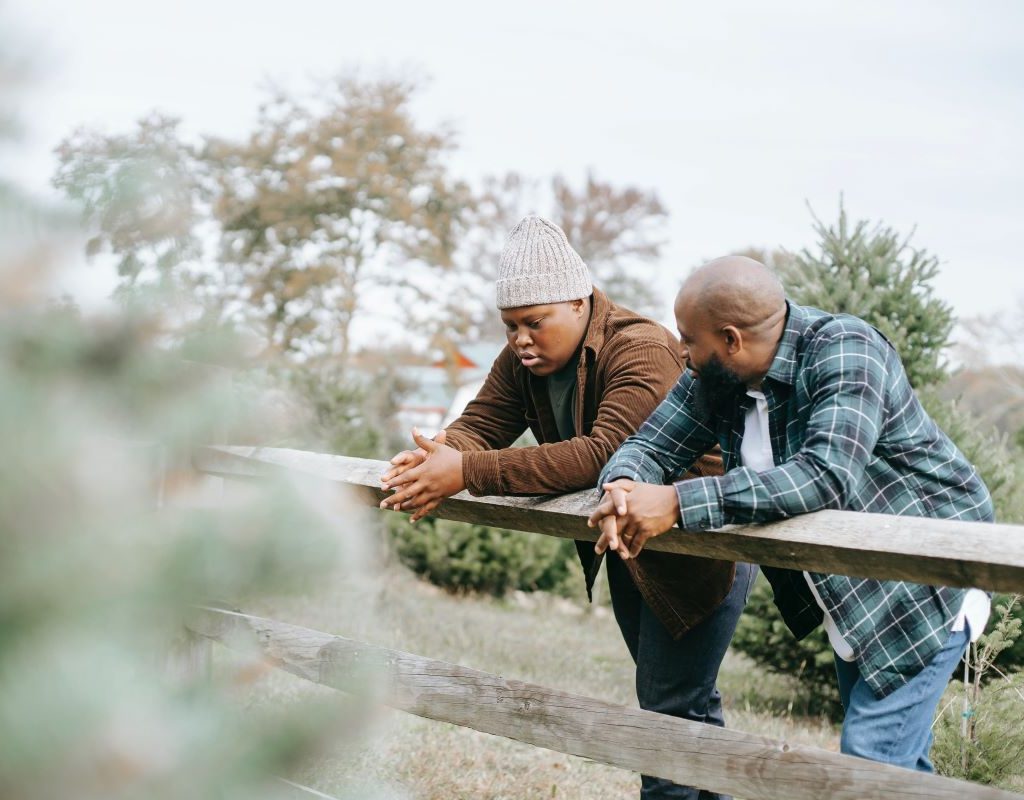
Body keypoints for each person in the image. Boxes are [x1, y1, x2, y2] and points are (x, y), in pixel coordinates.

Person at [380, 216, 755, 800]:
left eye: (535, 322)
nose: (521, 339)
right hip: (633, 548)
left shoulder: (643, 347)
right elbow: (482, 424)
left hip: (699, 548)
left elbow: (606, 453)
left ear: (580, 303)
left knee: (666, 715)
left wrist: (466, 471)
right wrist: (437, 456)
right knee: (682, 709)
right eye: (510, 326)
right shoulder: (522, 361)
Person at [589, 255, 993, 772]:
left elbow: (825, 475)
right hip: (849, 588)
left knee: (871, 760)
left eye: (690, 340)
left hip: (925, 574)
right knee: (899, 767)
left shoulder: (847, 349)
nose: (683, 354)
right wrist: (622, 486)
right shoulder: (719, 378)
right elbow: (649, 444)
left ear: (731, 340)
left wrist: (677, 502)